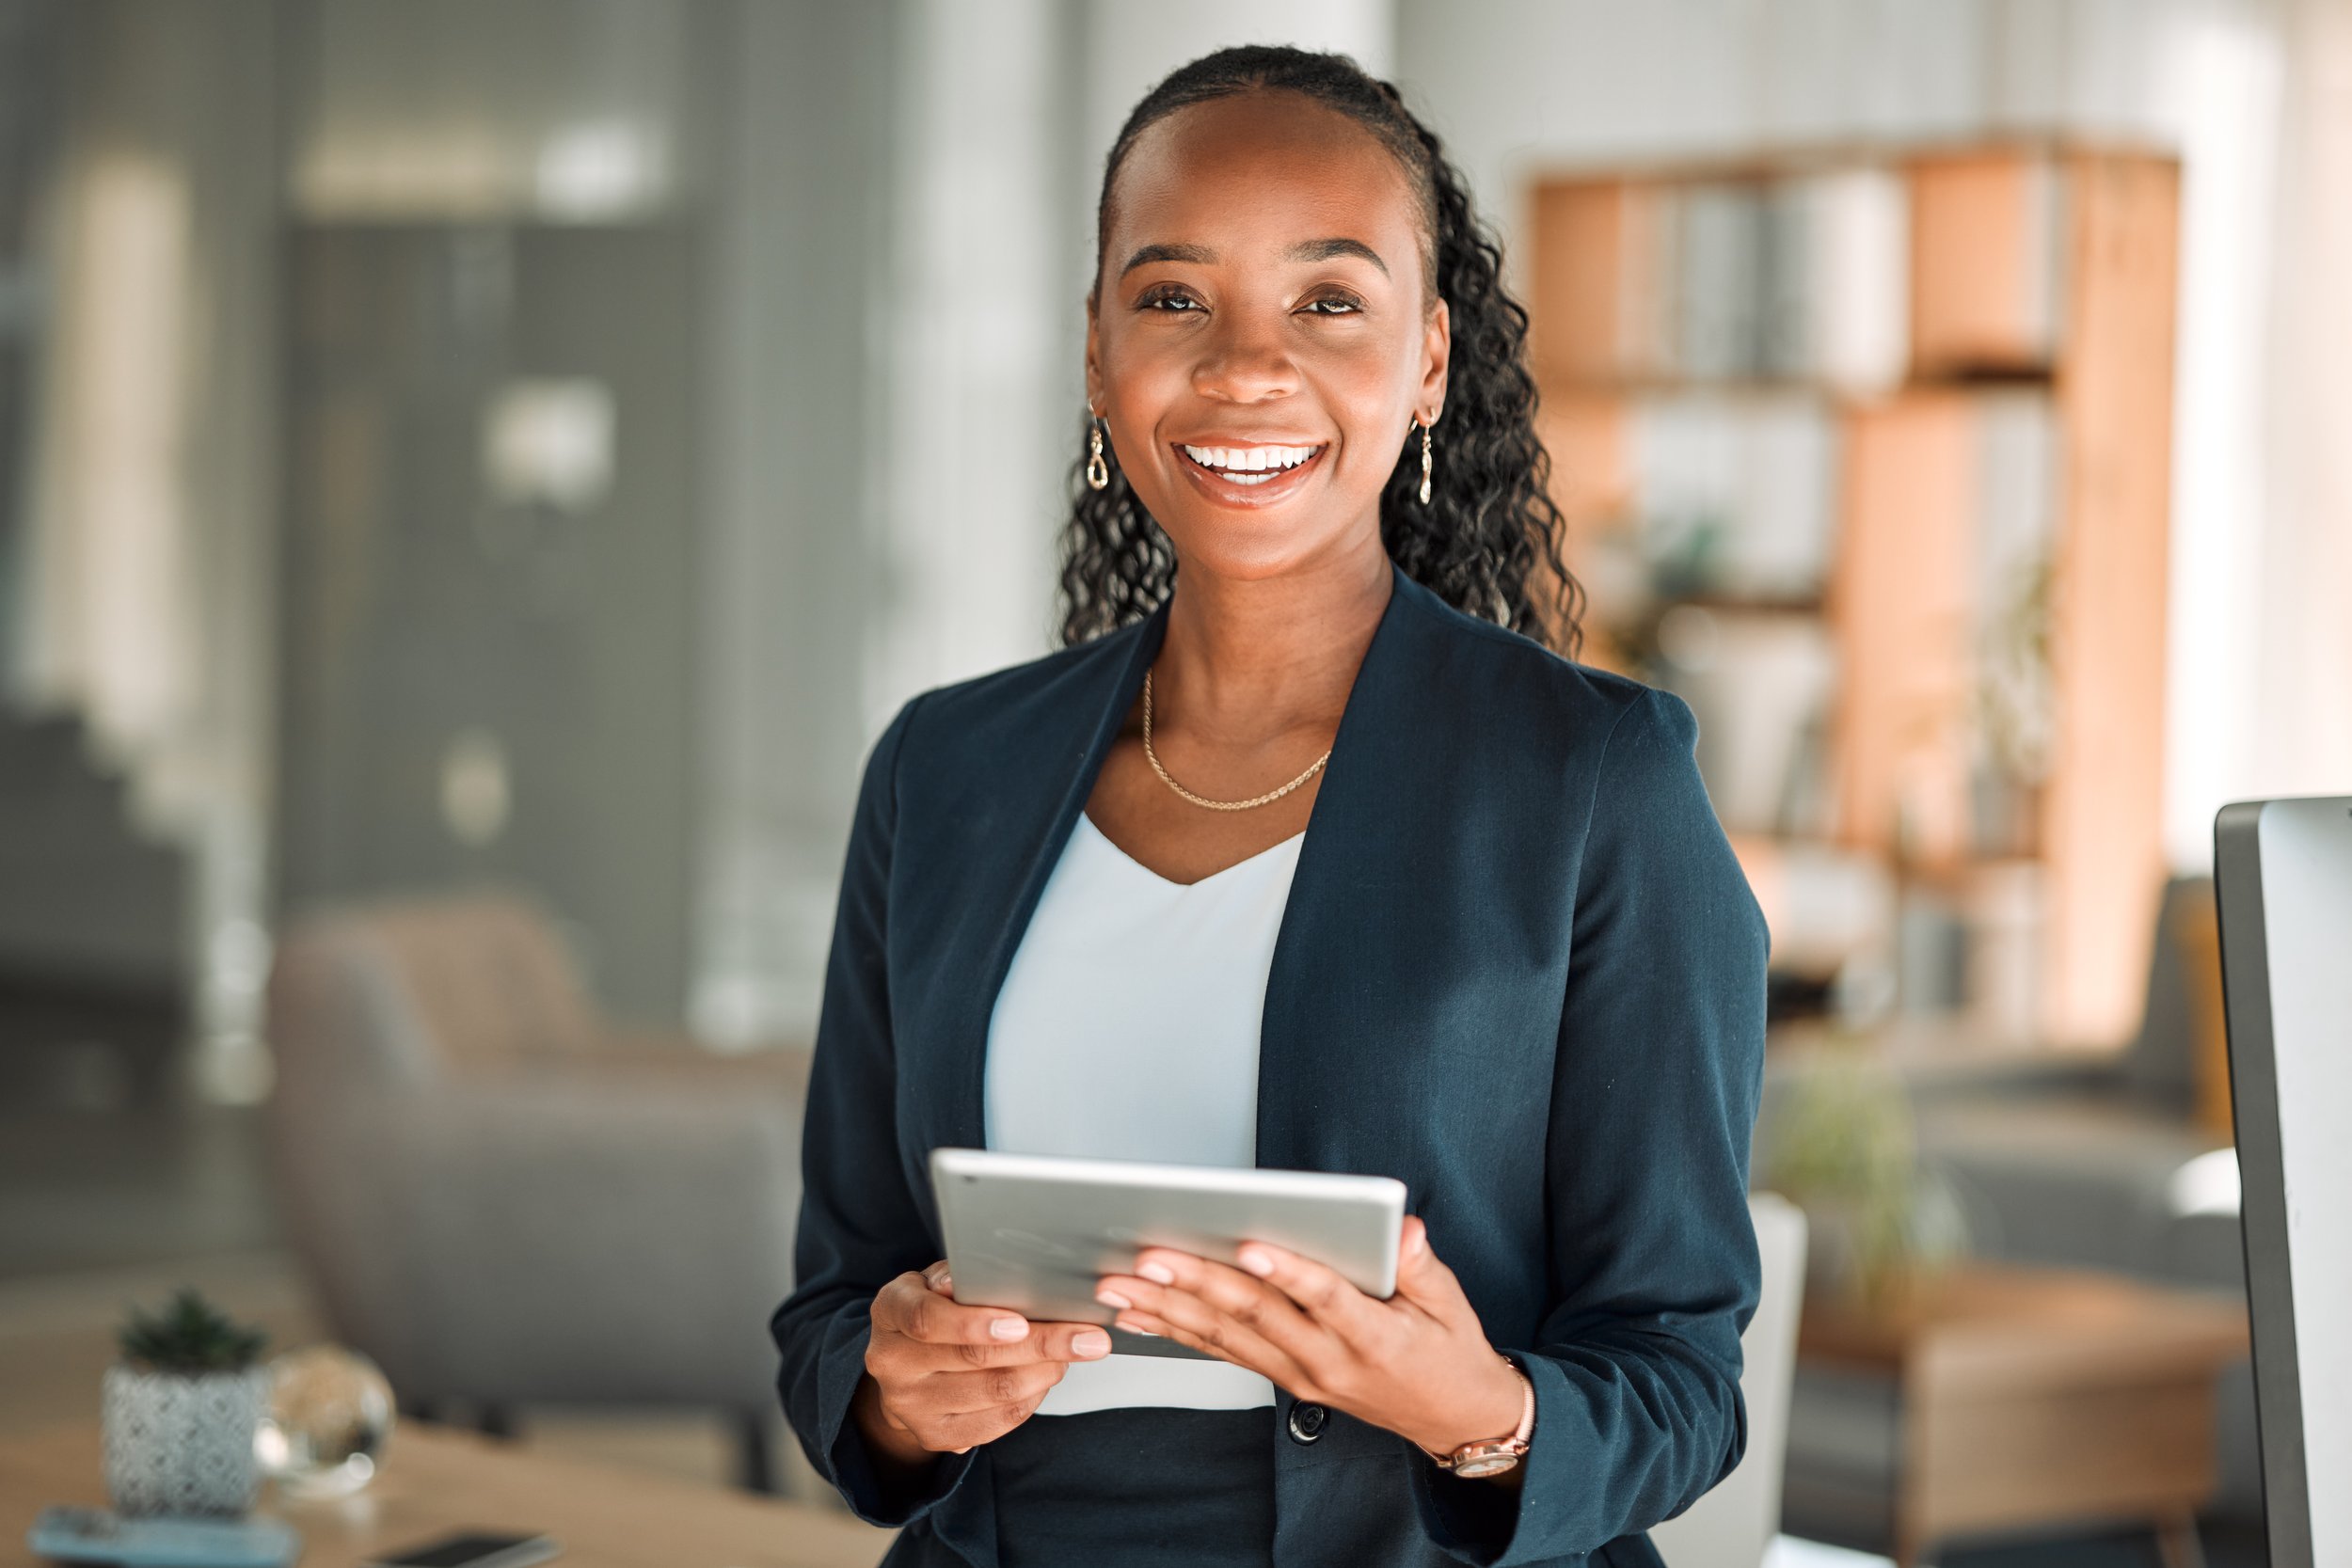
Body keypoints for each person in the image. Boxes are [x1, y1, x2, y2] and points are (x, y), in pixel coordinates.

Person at [770, 44, 1768, 1568]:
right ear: (1099, 356)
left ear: (1427, 360)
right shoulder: (943, 772)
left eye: (1329, 300)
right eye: (1173, 299)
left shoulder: (1593, 780)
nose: (1245, 367)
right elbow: (838, 1303)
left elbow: (1681, 1376)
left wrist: (1478, 1408)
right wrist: (899, 1395)